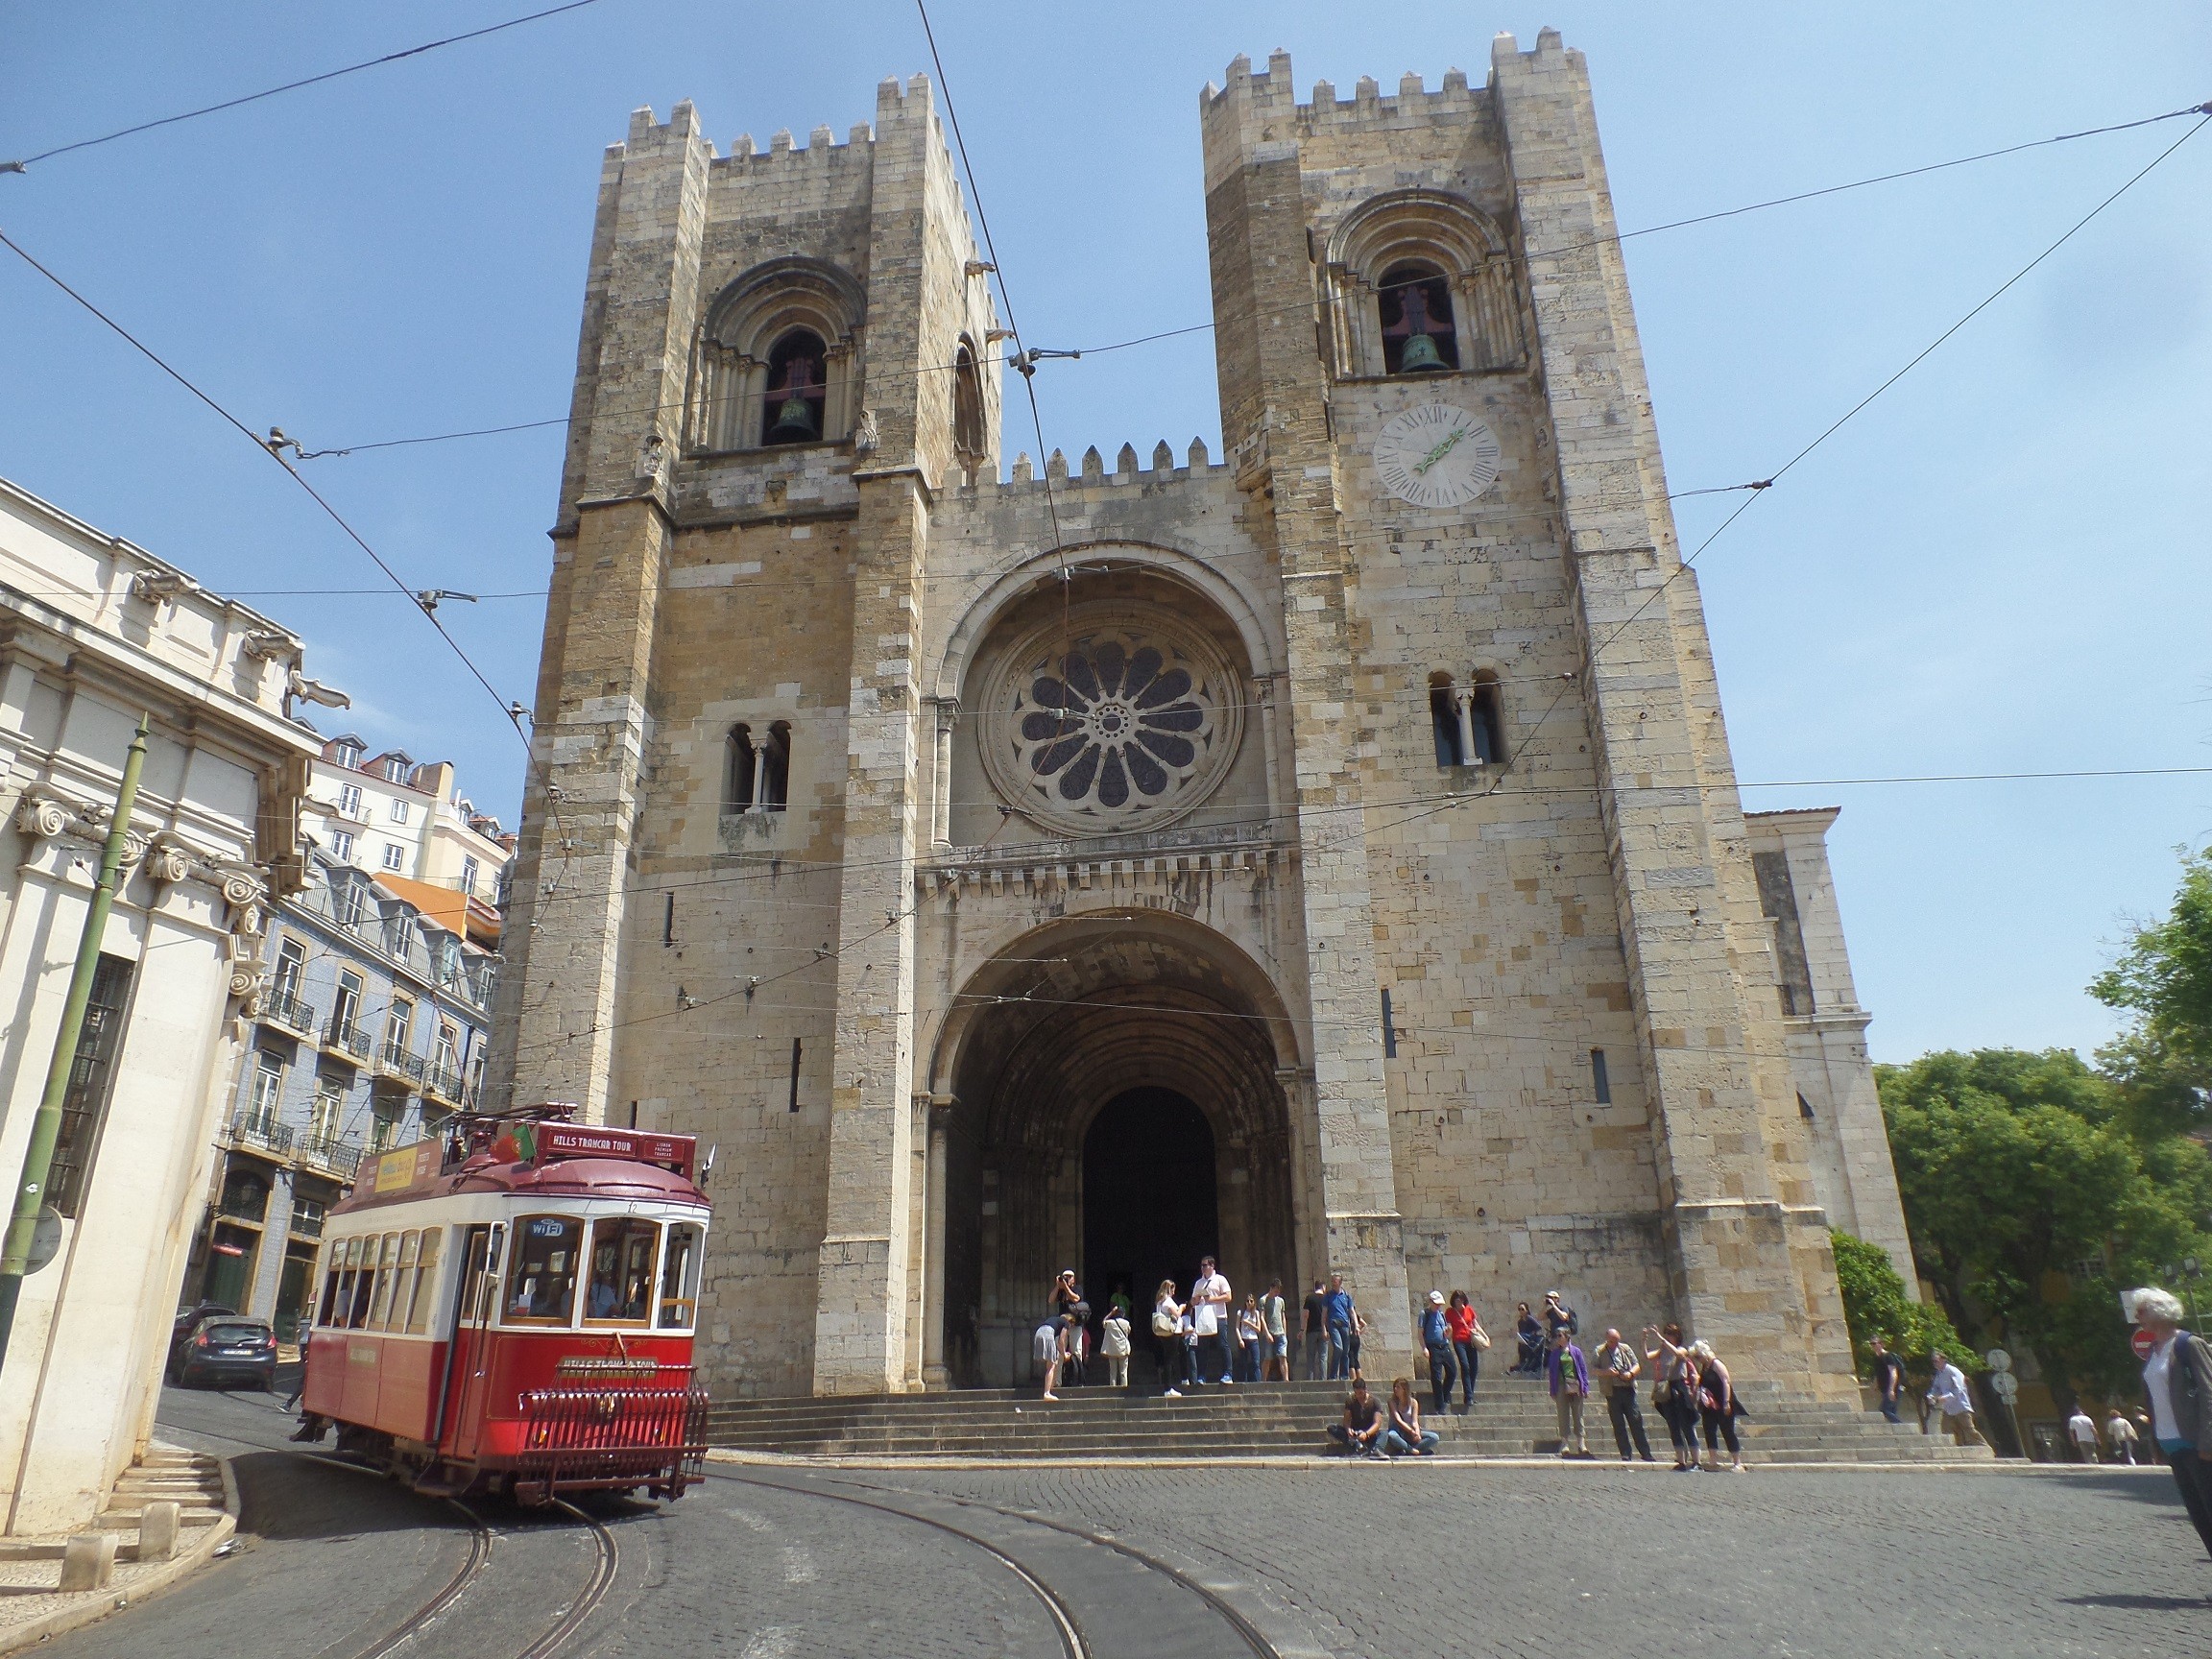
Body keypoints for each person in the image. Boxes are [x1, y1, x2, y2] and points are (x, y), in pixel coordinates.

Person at [2131, 1286, 2212, 1560]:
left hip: (2196, 1443)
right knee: (2200, 1517)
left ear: (2158, 1311)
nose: (2137, 1316)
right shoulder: (2154, 1350)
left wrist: (2208, 1440)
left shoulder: (2188, 1344)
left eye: (2141, 1310)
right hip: (2172, 1444)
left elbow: (2209, 1391)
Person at [1644, 1323, 1703, 1472]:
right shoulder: (1663, 1349)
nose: (1667, 1336)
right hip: (1667, 1388)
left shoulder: (1682, 1349)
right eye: (1666, 1333)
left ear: (1677, 1336)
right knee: (1673, 1425)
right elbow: (1647, 1356)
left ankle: (1697, 1462)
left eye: (1669, 1334)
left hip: (1679, 1387)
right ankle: (1681, 1461)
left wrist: (1660, 1338)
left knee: (1686, 1425)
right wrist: (1643, 1340)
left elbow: (1678, 1355)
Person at [1594, 1327, 1655, 1462]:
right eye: (1612, 1341)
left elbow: (1637, 1364)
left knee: (1636, 1421)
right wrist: (1607, 1372)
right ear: (1607, 1340)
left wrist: (1631, 1373)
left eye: (1617, 1341)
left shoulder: (1625, 1348)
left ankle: (1646, 1453)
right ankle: (1625, 1453)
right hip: (1612, 1391)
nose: (1615, 1344)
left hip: (1628, 1389)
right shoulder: (1599, 1351)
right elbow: (1594, 1370)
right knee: (1618, 1423)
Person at [1692, 1339, 1745, 1472]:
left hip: (1723, 1403)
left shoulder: (1716, 1364)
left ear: (1704, 1354)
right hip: (1710, 1405)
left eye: (1698, 1356)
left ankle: (1738, 1463)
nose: (1697, 1359)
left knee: (1728, 1431)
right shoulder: (1704, 1366)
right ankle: (1713, 1461)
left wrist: (1726, 1402)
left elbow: (1726, 1382)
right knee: (1709, 1430)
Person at [1926, 1351, 1984, 1448]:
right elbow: (1936, 1387)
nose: (1934, 1364)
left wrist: (1945, 1397)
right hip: (1949, 1408)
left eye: (1936, 1361)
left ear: (1943, 1360)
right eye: (1933, 1362)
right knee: (1946, 1429)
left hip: (1961, 1406)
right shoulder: (1939, 1374)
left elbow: (1958, 1389)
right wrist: (1931, 1395)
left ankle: (1984, 1446)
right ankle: (1958, 1448)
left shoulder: (1953, 1371)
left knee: (1969, 1429)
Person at [1548, 1328, 1589, 1457]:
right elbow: (1551, 1373)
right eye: (1557, 1335)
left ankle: (1581, 1443)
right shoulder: (1555, 1353)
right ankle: (1565, 1443)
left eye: (1560, 1335)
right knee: (1563, 1414)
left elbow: (1583, 1370)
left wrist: (1585, 1387)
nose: (1558, 1338)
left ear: (1567, 1336)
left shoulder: (1576, 1351)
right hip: (1560, 1386)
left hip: (1575, 1385)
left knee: (1578, 1414)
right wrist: (1552, 1390)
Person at [1191, 1256, 1233, 1385]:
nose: (1202, 1268)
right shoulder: (1198, 1283)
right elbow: (1192, 1302)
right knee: (1203, 1348)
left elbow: (1228, 1296)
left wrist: (1211, 1299)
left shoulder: (1220, 1279)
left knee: (1223, 1345)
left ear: (1212, 1266)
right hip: (1204, 1317)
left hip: (1219, 1316)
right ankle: (1202, 1376)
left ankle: (1228, 1374)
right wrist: (1196, 1300)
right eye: (1201, 1265)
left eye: (1205, 1265)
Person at [1328, 1378, 1387, 1458]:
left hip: (1369, 1432)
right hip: (1355, 1432)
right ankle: (1357, 1445)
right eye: (1356, 1393)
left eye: (1360, 1393)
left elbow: (1377, 1423)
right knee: (1332, 1428)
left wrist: (1366, 1434)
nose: (1358, 1396)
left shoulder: (1375, 1401)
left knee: (1384, 1433)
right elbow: (1346, 1420)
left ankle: (1376, 1450)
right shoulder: (1350, 1400)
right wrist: (1349, 1430)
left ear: (1365, 1389)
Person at [1419, 1290, 1457, 1413]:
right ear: (1430, 1302)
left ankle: (1444, 1396)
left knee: (1452, 1372)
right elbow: (1420, 1333)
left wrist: (1448, 1332)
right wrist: (1424, 1348)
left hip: (1444, 1345)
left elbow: (1447, 1333)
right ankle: (1439, 1406)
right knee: (1436, 1377)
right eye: (1436, 1303)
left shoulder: (1441, 1314)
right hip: (1433, 1347)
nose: (1438, 1306)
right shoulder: (1424, 1314)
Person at [1445, 1290, 1483, 1410]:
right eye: (1457, 1300)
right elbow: (1449, 1326)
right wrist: (1448, 1333)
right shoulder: (1450, 1312)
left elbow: (1475, 1324)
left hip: (1471, 1340)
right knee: (1465, 1366)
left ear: (1464, 1300)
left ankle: (1469, 1394)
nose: (1459, 1302)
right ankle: (1469, 1396)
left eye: (1461, 1300)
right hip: (1459, 1341)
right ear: (1454, 1301)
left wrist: (1484, 1336)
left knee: (1474, 1367)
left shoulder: (1469, 1310)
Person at [1385, 1377, 1440, 1456]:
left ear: (1404, 1389)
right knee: (1392, 1435)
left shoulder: (1413, 1402)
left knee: (1434, 1437)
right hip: (1398, 1430)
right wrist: (1411, 1431)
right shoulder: (1392, 1401)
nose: (1395, 1389)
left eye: (1398, 1387)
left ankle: (1409, 1450)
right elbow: (1398, 1420)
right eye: (1394, 1387)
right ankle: (1412, 1450)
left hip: (1411, 1430)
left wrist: (1417, 1433)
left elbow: (1415, 1421)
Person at [1151, 1280, 1188, 1396]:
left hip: (1163, 1333)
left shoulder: (1159, 1302)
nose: (1174, 1292)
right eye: (1173, 1290)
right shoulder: (1168, 1301)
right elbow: (1177, 1314)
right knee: (1169, 1359)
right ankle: (1168, 1388)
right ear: (1170, 1289)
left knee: (1172, 1355)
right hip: (1172, 1332)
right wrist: (1181, 1307)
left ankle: (1177, 1382)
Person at [1867, 1335, 1907, 1425]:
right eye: (1871, 1344)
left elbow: (1893, 1373)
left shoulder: (1888, 1356)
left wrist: (1891, 1390)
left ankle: (1903, 1426)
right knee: (1892, 1413)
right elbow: (1878, 1375)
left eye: (1874, 1343)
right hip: (1886, 1390)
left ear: (1881, 1344)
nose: (1872, 1346)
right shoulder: (1877, 1358)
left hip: (1895, 1388)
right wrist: (1874, 1387)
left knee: (1884, 1410)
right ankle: (1900, 1430)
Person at [1324, 1274, 1356, 1382]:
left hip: (1345, 1325)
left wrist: (1355, 1324)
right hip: (1333, 1324)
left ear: (1340, 1282)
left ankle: (1344, 1376)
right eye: (1332, 1281)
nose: (1333, 1283)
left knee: (1345, 1352)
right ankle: (1333, 1375)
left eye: (1335, 1281)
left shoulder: (1346, 1296)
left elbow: (1351, 1311)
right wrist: (1324, 1328)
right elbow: (1324, 1313)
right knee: (1338, 1348)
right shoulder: (1328, 1296)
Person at [1301, 1279, 1331, 1381]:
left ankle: (1310, 1380)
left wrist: (1302, 1330)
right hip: (1323, 1331)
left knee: (1310, 1357)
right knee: (1323, 1357)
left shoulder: (1309, 1298)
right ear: (1323, 1287)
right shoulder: (1326, 1298)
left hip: (1311, 1331)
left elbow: (1305, 1315)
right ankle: (1323, 1380)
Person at [1262, 1280, 1289, 1382]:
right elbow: (1262, 1317)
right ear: (1271, 1288)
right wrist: (1267, 1333)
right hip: (1270, 1332)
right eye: (1276, 1290)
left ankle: (1286, 1380)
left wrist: (1285, 1333)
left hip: (1280, 1332)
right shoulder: (1263, 1300)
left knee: (1283, 1357)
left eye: (1278, 1290)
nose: (1277, 1292)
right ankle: (1263, 1380)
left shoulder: (1281, 1301)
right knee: (1268, 1358)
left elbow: (1283, 1317)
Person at [1100, 1302, 1132, 1387]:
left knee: (1113, 1373)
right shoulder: (1126, 1323)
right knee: (1123, 1372)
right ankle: (1124, 1389)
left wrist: (1111, 1313)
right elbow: (1129, 1331)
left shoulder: (1110, 1323)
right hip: (1123, 1350)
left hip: (1112, 1350)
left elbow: (1103, 1322)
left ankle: (1112, 1389)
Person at [1236, 1293, 1265, 1383]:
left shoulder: (1256, 1313)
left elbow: (1259, 1329)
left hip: (1253, 1339)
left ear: (1254, 1302)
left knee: (1256, 1362)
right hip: (1244, 1339)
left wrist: (1248, 1323)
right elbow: (1237, 1327)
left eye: (1251, 1301)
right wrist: (1240, 1339)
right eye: (1247, 1301)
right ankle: (1243, 1382)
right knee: (1243, 1363)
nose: (1249, 1303)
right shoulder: (1240, 1312)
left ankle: (1258, 1382)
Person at [1512, 1302, 1545, 1375]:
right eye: (1519, 1309)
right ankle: (1521, 1365)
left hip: (1531, 1340)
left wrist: (1532, 1334)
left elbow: (1538, 1328)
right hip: (1523, 1340)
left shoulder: (1530, 1319)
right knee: (1521, 1349)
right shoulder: (1520, 1322)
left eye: (1522, 1309)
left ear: (1526, 1310)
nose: (1521, 1311)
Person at [1034, 1316, 1063, 1400]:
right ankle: (1047, 1393)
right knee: (1052, 1366)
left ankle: (1050, 1387)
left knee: (1052, 1363)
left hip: (1039, 1333)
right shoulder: (1066, 1323)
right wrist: (1064, 1354)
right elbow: (1061, 1340)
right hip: (1048, 1335)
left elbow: (1056, 1343)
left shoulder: (1054, 1322)